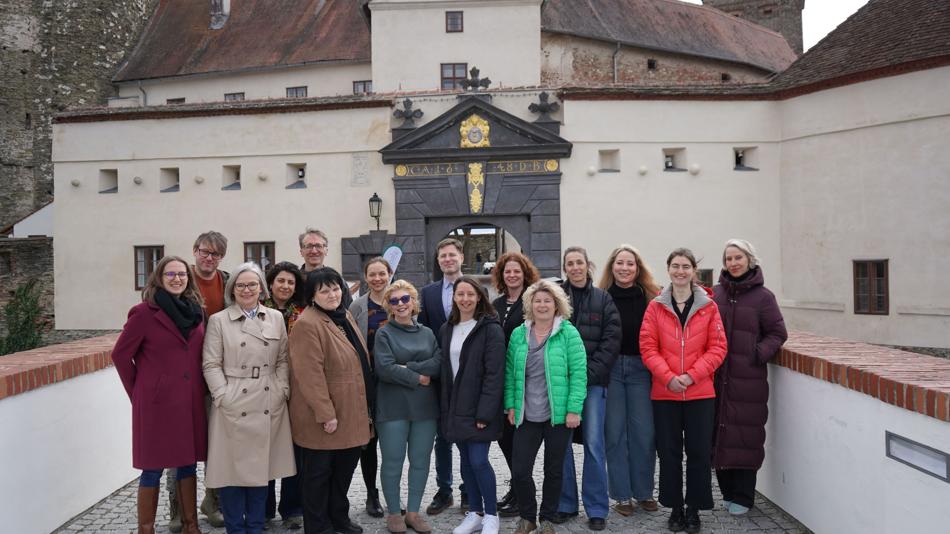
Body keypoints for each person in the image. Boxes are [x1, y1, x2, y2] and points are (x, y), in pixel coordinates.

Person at [111, 255, 208, 534]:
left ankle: (191, 525)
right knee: (152, 468)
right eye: (171, 274)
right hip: (156, 405)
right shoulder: (144, 312)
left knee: (187, 464)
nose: (177, 279)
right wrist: (139, 392)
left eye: (182, 274)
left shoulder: (196, 312)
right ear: (159, 279)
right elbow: (120, 355)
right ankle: (146, 528)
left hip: (189, 401)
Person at [202, 262, 296, 534]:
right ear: (232, 290)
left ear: (261, 289)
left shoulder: (275, 318)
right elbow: (210, 364)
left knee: (260, 473)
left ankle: (255, 527)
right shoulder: (219, 320)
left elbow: (283, 359)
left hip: (268, 399)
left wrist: (281, 390)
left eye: (252, 285)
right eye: (240, 285)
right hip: (232, 401)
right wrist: (223, 395)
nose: (246, 290)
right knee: (231, 473)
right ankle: (235, 528)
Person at [640, 248, 727, 534]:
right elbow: (648, 347)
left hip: (700, 393)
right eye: (675, 266)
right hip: (665, 393)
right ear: (668, 270)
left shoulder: (709, 307)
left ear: (693, 271)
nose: (680, 271)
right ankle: (675, 508)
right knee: (669, 452)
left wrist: (690, 376)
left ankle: (694, 508)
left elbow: (718, 348)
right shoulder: (655, 307)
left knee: (699, 452)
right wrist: (668, 377)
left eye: (685, 266)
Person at [288, 268, 373, 534]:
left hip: (351, 411)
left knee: (343, 472)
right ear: (312, 296)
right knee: (318, 476)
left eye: (335, 288)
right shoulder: (307, 324)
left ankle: (338, 518)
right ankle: (317, 525)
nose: (332, 294)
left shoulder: (343, 315)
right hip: (326, 416)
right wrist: (326, 414)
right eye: (324, 290)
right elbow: (308, 375)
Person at [712, 239, 787, 516]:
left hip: (749, 380)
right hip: (718, 378)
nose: (733, 263)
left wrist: (756, 354)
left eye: (738, 257)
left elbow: (778, 333)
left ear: (750, 260)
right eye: (728, 258)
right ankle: (728, 492)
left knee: (745, 436)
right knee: (719, 434)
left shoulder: (763, 297)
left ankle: (743, 496)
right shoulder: (716, 294)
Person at [506, 280, 587, 534]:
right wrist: (510, 405)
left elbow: (578, 373)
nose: (542, 305)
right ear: (530, 304)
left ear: (556, 305)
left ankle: (548, 518)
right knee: (520, 471)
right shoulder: (519, 334)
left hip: (558, 416)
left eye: (547, 301)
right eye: (537, 300)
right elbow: (510, 374)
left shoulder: (568, 333)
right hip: (526, 415)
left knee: (553, 471)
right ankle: (528, 517)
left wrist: (574, 409)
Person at [554, 247, 621, 530]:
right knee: (563, 446)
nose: (575, 267)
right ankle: (566, 504)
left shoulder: (603, 299)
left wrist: (588, 375)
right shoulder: (556, 298)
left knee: (594, 445)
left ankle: (596, 508)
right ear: (565, 268)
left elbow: (611, 340)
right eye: (570, 263)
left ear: (587, 265)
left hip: (593, 384)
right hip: (562, 385)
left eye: (579, 262)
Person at [372, 279, 442, 534]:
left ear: (413, 302)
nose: (400, 304)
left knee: (421, 461)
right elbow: (384, 368)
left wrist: (408, 368)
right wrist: (418, 378)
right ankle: (393, 512)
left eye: (405, 299)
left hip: (425, 408)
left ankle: (413, 512)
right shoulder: (384, 333)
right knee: (392, 461)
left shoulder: (427, 333)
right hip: (392, 407)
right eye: (394, 300)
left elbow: (438, 363)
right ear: (389, 306)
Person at [598, 245, 662, 516]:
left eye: (630, 263)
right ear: (612, 267)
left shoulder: (652, 297)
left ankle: (645, 492)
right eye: (619, 263)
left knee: (644, 434)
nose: (624, 268)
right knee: (614, 434)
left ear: (638, 268)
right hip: (611, 371)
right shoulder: (602, 297)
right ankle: (622, 495)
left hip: (641, 370)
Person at [440, 277, 506, 534]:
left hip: (479, 408)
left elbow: (494, 374)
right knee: (466, 462)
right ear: (454, 297)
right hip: (455, 409)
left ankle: (491, 514)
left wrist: (485, 413)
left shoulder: (490, 328)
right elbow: (446, 373)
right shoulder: (447, 328)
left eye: (470, 294)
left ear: (479, 297)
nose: (465, 298)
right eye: (460, 294)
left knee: (479, 460)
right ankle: (475, 513)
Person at [489, 252, 541, 518]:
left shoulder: (533, 302)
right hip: (500, 379)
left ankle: (523, 495)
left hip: (525, 379)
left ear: (525, 274)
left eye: (516, 271)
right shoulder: (496, 304)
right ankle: (516, 488)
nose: (512, 275)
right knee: (504, 437)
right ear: (501, 275)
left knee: (519, 440)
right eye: (507, 271)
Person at [417, 237, 466, 514]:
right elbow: (424, 333)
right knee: (442, 436)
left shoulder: (473, 289)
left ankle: (469, 490)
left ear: (461, 257)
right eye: (443, 256)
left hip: (466, 371)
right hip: (438, 373)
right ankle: (444, 490)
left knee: (467, 434)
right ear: (439, 261)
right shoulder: (429, 293)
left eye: (452, 255)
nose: (447, 260)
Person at [185, 230, 230, 529]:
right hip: (185, 371)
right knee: (183, 442)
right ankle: (179, 508)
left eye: (215, 253)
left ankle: (212, 501)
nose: (209, 258)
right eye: (204, 251)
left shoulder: (226, 281)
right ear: (195, 250)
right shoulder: (179, 277)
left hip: (216, 370)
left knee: (216, 440)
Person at [261, 262, 307, 529]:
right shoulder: (259, 310)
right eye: (281, 281)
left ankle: (291, 508)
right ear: (271, 282)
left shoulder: (302, 311)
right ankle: (264, 510)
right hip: (264, 387)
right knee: (265, 449)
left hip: (296, 386)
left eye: (291, 282)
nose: (286, 286)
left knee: (294, 449)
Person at [349, 257, 394, 519]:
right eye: (372, 275)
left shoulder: (400, 300)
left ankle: (392, 493)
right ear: (366, 277)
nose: (377, 279)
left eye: (382, 273)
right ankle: (371, 493)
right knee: (369, 440)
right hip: (368, 381)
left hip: (394, 382)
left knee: (393, 440)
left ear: (389, 274)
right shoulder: (357, 306)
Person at [298, 227, 353, 308]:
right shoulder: (295, 281)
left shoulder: (337, 280)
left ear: (326, 250)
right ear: (301, 252)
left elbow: (348, 309)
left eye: (318, 246)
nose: (314, 251)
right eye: (309, 246)